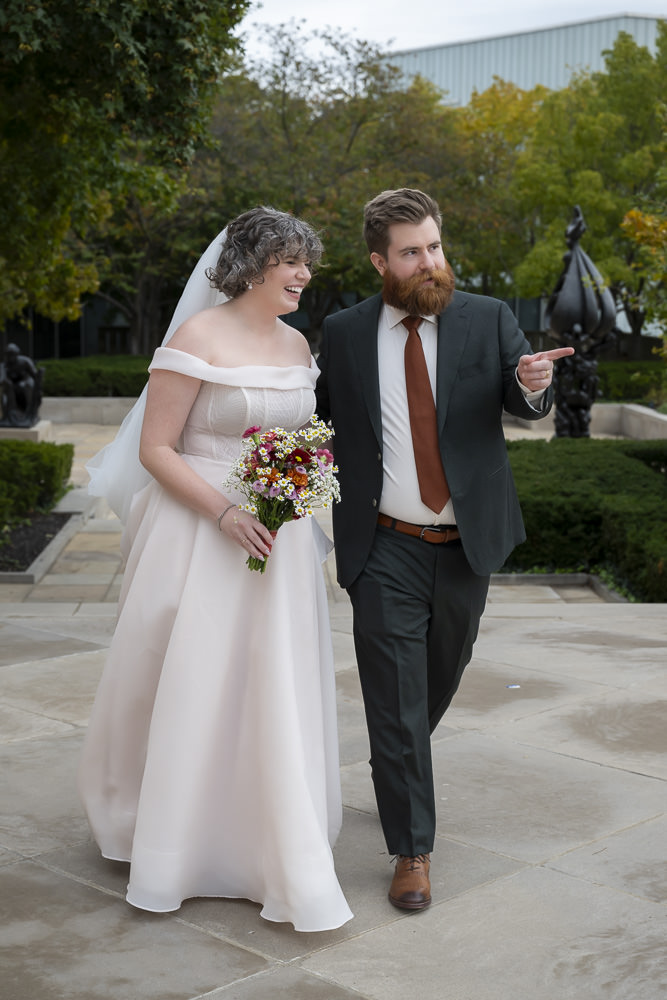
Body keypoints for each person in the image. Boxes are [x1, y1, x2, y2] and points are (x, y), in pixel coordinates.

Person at [78, 207, 353, 932]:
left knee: (270, 678)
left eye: (306, 263)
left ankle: (265, 832)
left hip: (278, 536)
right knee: (192, 677)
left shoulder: (297, 343)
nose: (303, 275)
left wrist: (298, 482)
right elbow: (157, 448)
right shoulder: (194, 337)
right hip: (199, 530)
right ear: (252, 265)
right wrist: (225, 513)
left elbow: (299, 438)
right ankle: (174, 835)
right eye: (291, 261)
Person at [315, 188, 573, 911]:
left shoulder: (488, 318)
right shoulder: (342, 331)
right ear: (379, 260)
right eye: (410, 252)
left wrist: (531, 386)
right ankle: (411, 850)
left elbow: (525, 399)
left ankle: (394, 761)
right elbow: (319, 418)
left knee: (437, 678)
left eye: (433, 245)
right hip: (384, 544)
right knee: (394, 700)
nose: (428, 261)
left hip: (465, 545)